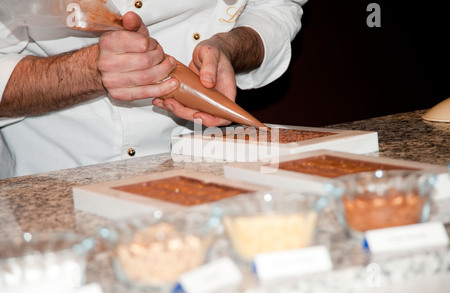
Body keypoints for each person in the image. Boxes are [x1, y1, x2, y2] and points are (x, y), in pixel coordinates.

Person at [0, 0, 306, 179]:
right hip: (60, 176)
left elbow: (275, 5)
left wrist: (229, 48)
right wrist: (87, 71)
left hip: (198, 166)